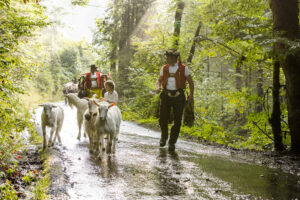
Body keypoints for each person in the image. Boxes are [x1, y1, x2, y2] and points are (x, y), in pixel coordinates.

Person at [156, 49, 194, 151]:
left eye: (168, 57)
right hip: (166, 96)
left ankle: (172, 142)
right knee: (162, 119)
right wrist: (158, 87)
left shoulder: (183, 68)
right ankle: (164, 137)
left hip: (179, 97)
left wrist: (191, 95)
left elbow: (191, 82)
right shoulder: (164, 68)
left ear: (174, 58)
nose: (166, 58)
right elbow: (159, 80)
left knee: (177, 121)